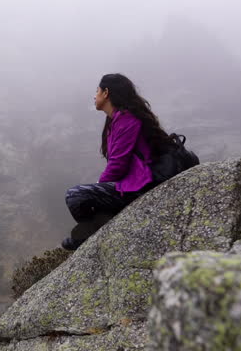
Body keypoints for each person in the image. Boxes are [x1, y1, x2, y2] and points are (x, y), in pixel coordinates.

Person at [61, 74, 171, 251]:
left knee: (75, 196)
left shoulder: (127, 119)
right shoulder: (116, 121)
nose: (94, 95)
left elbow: (118, 165)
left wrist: (99, 186)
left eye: (97, 91)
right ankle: (94, 231)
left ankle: (89, 235)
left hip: (140, 187)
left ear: (106, 93)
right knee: (82, 197)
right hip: (128, 186)